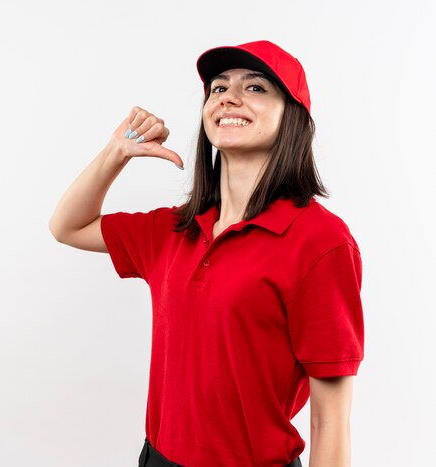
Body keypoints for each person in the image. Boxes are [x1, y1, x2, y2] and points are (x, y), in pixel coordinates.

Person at [49, 40, 364, 467]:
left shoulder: (320, 242)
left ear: (292, 116)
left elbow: (330, 422)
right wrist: (116, 152)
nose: (229, 97)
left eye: (255, 88)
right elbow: (67, 226)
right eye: (218, 88)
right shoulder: (174, 228)